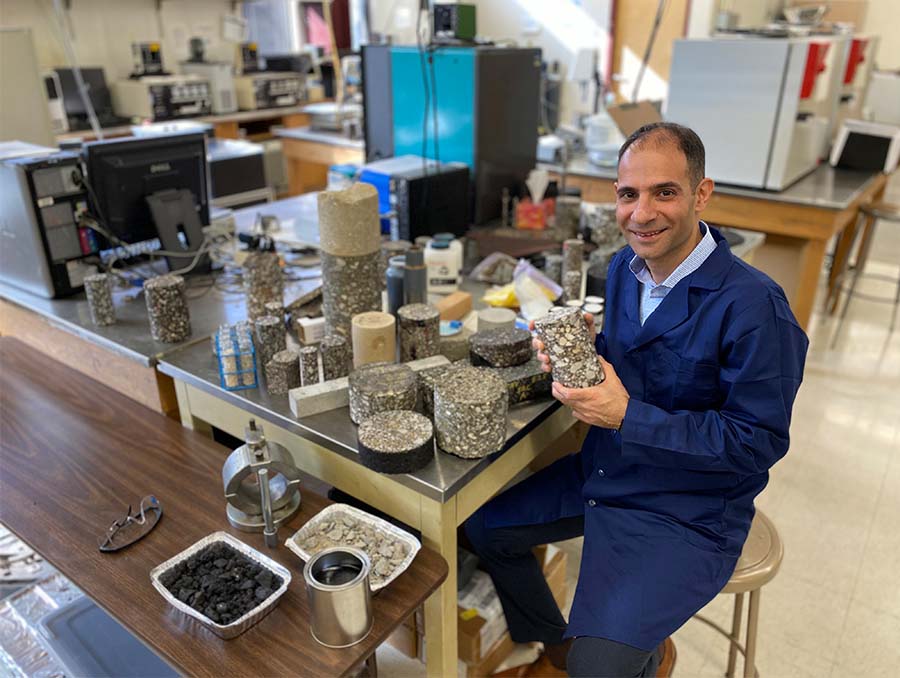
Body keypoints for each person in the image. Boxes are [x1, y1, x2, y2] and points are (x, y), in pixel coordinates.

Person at [465, 122, 809, 678]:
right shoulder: (627, 269)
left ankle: (627, 657)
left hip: (688, 508)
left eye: (664, 192)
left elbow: (757, 443)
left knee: (600, 667)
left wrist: (627, 415)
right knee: (485, 530)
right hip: (609, 470)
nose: (641, 214)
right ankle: (553, 647)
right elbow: (636, 358)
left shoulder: (755, 309)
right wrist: (578, 354)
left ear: (702, 193)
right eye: (628, 194)